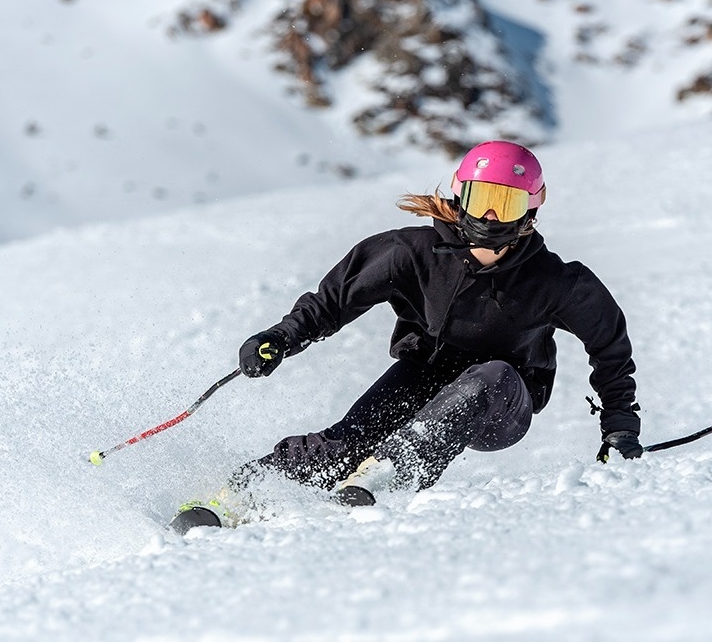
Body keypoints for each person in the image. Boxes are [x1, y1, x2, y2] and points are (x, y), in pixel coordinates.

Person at [234, 140, 642, 507]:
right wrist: (280, 338)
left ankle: (391, 472)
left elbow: (610, 347)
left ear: (532, 208)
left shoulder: (557, 281)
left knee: (489, 376)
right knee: (346, 443)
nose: (490, 214)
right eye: (481, 197)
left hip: (502, 402)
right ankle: (243, 491)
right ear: (459, 193)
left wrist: (619, 427)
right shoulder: (410, 253)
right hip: (423, 376)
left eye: (508, 203)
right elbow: (333, 303)